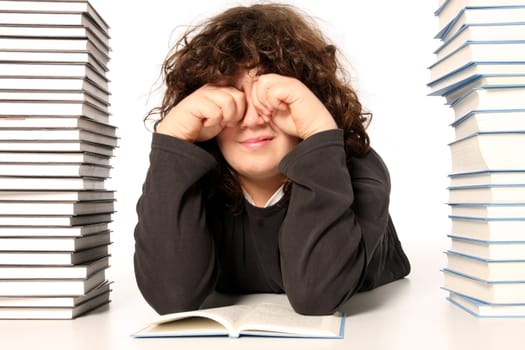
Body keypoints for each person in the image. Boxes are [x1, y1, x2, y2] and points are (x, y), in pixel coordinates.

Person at [133, 2, 411, 316]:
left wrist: (319, 132)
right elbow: (171, 297)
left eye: (273, 97)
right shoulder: (193, 180)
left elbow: (317, 295)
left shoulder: (361, 169)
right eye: (231, 98)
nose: (251, 121)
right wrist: (172, 139)